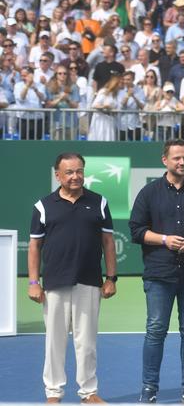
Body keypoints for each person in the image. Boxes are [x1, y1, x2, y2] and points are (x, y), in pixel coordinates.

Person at [128, 139, 184, 403]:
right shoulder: (149, 193)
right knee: (156, 329)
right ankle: (149, 388)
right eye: (177, 158)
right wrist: (165, 240)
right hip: (159, 274)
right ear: (165, 160)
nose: (182, 162)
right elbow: (136, 230)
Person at [28, 152, 117, 403]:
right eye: (69, 172)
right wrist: (34, 283)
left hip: (89, 281)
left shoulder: (99, 202)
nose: (75, 176)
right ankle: (53, 393)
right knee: (54, 342)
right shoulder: (42, 206)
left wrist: (111, 278)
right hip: (55, 283)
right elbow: (34, 247)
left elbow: (108, 243)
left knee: (86, 343)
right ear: (58, 175)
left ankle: (88, 393)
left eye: (79, 171)